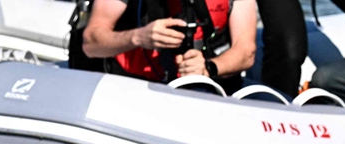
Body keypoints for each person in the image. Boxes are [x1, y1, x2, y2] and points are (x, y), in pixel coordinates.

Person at [80, 0, 258, 93]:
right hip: (136, 87)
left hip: (209, 88)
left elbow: (245, 51)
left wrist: (208, 67)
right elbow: (91, 43)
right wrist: (139, 36)